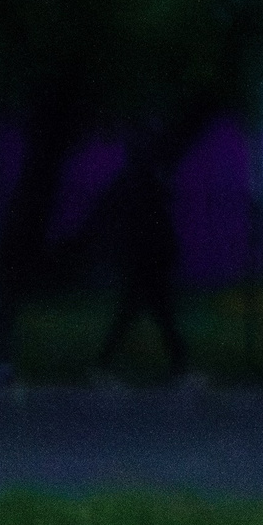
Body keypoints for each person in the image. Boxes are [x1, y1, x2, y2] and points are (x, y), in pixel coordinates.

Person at [91, 137, 192, 383]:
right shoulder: (147, 182)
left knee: (143, 312)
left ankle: (104, 365)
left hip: (144, 258)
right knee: (156, 313)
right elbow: (157, 219)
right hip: (148, 258)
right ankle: (178, 366)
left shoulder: (136, 181)